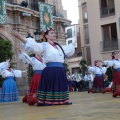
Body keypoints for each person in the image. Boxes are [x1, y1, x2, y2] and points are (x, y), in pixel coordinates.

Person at [11, 27, 76, 106]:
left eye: (54, 33)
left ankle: (62, 100)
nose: (54, 34)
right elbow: (34, 46)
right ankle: (49, 101)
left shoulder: (59, 46)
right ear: (46, 36)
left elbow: (68, 50)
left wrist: (73, 44)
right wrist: (20, 38)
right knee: (52, 86)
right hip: (51, 70)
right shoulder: (44, 45)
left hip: (60, 70)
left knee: (60, 85)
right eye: (51, 33)